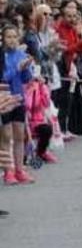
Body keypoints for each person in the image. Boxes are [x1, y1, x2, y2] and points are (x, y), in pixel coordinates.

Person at [0, 25, 33, 184]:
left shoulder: (21, 54)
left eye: (14, 37)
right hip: (5, 99)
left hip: (19, 98)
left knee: (20, 135)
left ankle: (20, 169)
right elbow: (3, 78)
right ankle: (8, 171)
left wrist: (26, 69)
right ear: (3, 39)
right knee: (6, 136)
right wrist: (16, 69)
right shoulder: (2, 56)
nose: (12, 40)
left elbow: (26, 79)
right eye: (9, 37)